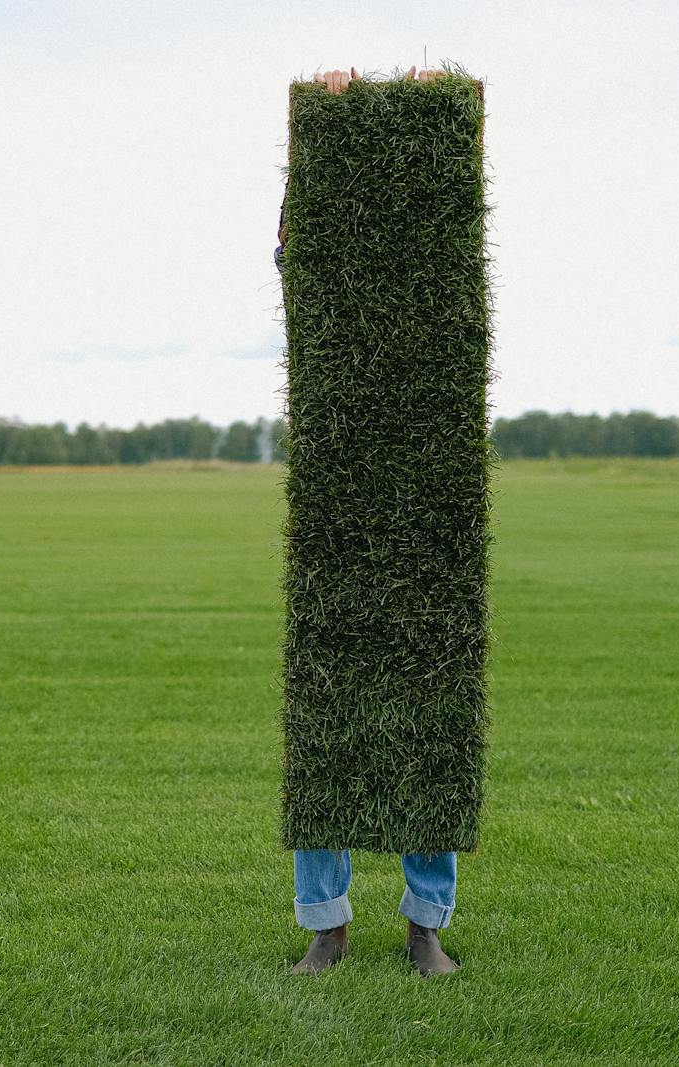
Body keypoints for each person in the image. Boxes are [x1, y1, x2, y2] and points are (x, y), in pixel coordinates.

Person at [277, 66, 461, 979]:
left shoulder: (439, 299)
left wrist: (449, 112)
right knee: (328, 719)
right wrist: (318, 130)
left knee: (432, 716)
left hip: (431, 503)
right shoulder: (326, 299)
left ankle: (426, 923)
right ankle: (327, 924)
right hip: (338, 504)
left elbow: (454, 208)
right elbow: (291, 251)